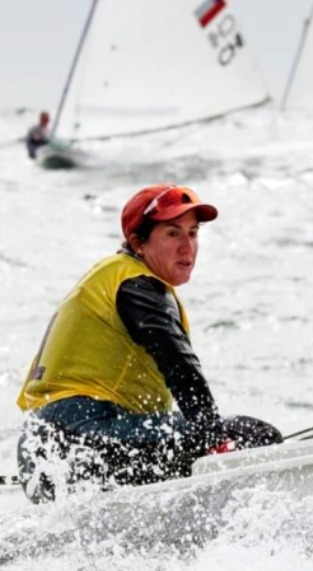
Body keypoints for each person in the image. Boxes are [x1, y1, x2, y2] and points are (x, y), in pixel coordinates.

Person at [16, 183, 283, 503]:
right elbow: (181, 367)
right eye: (173, 234)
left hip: (43, 450)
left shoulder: (112, 277)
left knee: (192, 441)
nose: (188, 247)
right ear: (138, 243)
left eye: (193, 233)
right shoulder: (137, 285)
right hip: (83, 435)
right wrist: (216, 440)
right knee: (254, 436)